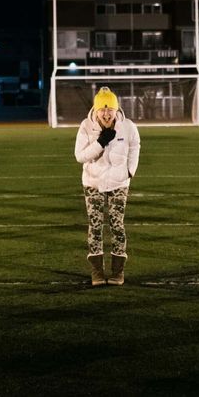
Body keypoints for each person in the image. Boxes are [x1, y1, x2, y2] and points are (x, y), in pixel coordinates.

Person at [74, 87, 141, 286]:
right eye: (102, 109)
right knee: (95, 226)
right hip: (93, 182)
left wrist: (130, 171)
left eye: (110, 109)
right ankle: (96, 272)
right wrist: (100, 142)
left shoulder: (128, 126)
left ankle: (118, 272)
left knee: (117, 225)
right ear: (95, 110)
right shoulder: (86, 126)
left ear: (116, 109)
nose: (106, 113)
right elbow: (80, 156)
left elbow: (135, 146)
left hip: (119, 183)